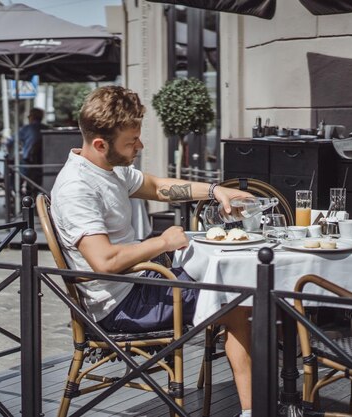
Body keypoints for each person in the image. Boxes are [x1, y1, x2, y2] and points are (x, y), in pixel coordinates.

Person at [50, 86, 254, 416]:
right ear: (101, 144)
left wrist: (216, 190)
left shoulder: (107, 168)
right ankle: (252, 411)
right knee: (235, 300)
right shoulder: (77, 188)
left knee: (226, 274)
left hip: (141, 282)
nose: (140, 146)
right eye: (132, 142)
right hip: (120, 308)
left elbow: (158, 187)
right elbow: (103, 261)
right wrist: (162, 242)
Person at [13, 107, 49, 196]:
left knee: (13, 174)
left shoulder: (26, 129)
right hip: (44, 163)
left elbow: (11, 140)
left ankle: (16, 195)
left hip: (29, 162)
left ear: (31, 117)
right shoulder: (47, 129)